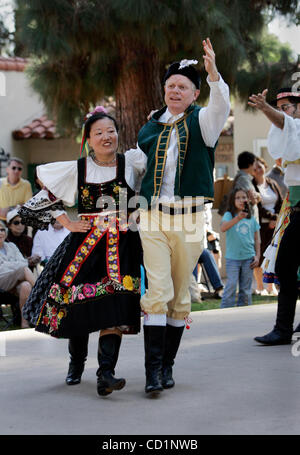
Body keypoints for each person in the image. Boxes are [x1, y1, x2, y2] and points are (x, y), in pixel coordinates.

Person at [126, 38, 230, 395]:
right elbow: (136, 170)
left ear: (195, 93)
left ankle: (167, 365)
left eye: (182, 86)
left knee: (179, 297)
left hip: (189, 218)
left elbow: (221, 104)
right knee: (157, 290)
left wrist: (214, 73)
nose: (175, 90)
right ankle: (152, 373)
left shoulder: (205, 121)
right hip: (154, 217)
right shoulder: (149, 127)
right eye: (170, 85)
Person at [20, 108, 143, 397]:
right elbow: (40, 200)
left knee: (115, 306)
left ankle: (106, 373)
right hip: (84, 248)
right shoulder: (78, 168)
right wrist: (67, 222)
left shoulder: (131, 164)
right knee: (78, 304)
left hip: (121, 246)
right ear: (88, 140)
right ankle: (76, 363)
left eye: (110, 131)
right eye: (98, 133)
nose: (106, 137)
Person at [248, 87, 300, 345]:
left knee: (287, 266)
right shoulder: (293, 133)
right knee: (286, 266)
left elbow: (287, 125)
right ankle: (283, 328)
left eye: (287, 107)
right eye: (281, 108)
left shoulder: (297, 129)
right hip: (296, 206)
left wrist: (265, 108)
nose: (283, 114)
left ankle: (283, 329)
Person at [220, 188, 260, 308]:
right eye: (237, 198)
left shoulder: (251, 218)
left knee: (246, 289)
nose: (241, 200)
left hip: (248, 258)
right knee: (231, 285)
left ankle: (244, 312)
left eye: (244, 197)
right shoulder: (229, 215)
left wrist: (257, 256)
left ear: (248, 200)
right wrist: (238, 218)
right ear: (233, 201)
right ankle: (225, 312)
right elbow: (223, 228)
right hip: (233, 258)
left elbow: (257, 239)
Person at [252, 156, 283, 295]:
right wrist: (271, 218)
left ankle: (270, 287)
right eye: (255, 168)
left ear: (265, 166)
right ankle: (260, 287)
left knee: (273, 255)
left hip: (275, 225)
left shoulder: (272, 183)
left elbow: (280, 202)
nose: (258, 170)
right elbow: (256, 206)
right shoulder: (251, 185)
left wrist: (277, 219)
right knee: (259, 255)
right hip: (261, 225)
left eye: (260, 166)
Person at [0, 220, 36, 328]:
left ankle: (24, 322)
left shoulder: (11, 246)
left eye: (2, 230)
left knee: (26, 286)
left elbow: (23, 261)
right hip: (1, 282)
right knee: (24, 270)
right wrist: (15, 265)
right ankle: (42, 293)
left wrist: (8, 264)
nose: (0, 232)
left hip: (15, 281)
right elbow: (2, 269)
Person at [233, 151, 261, 221]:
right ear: (249, 164)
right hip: (247, 219)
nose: (255, 167)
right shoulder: (244, 179)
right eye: (254, 164)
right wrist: (259, 196)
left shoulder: (240, 177)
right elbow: (253, 199)